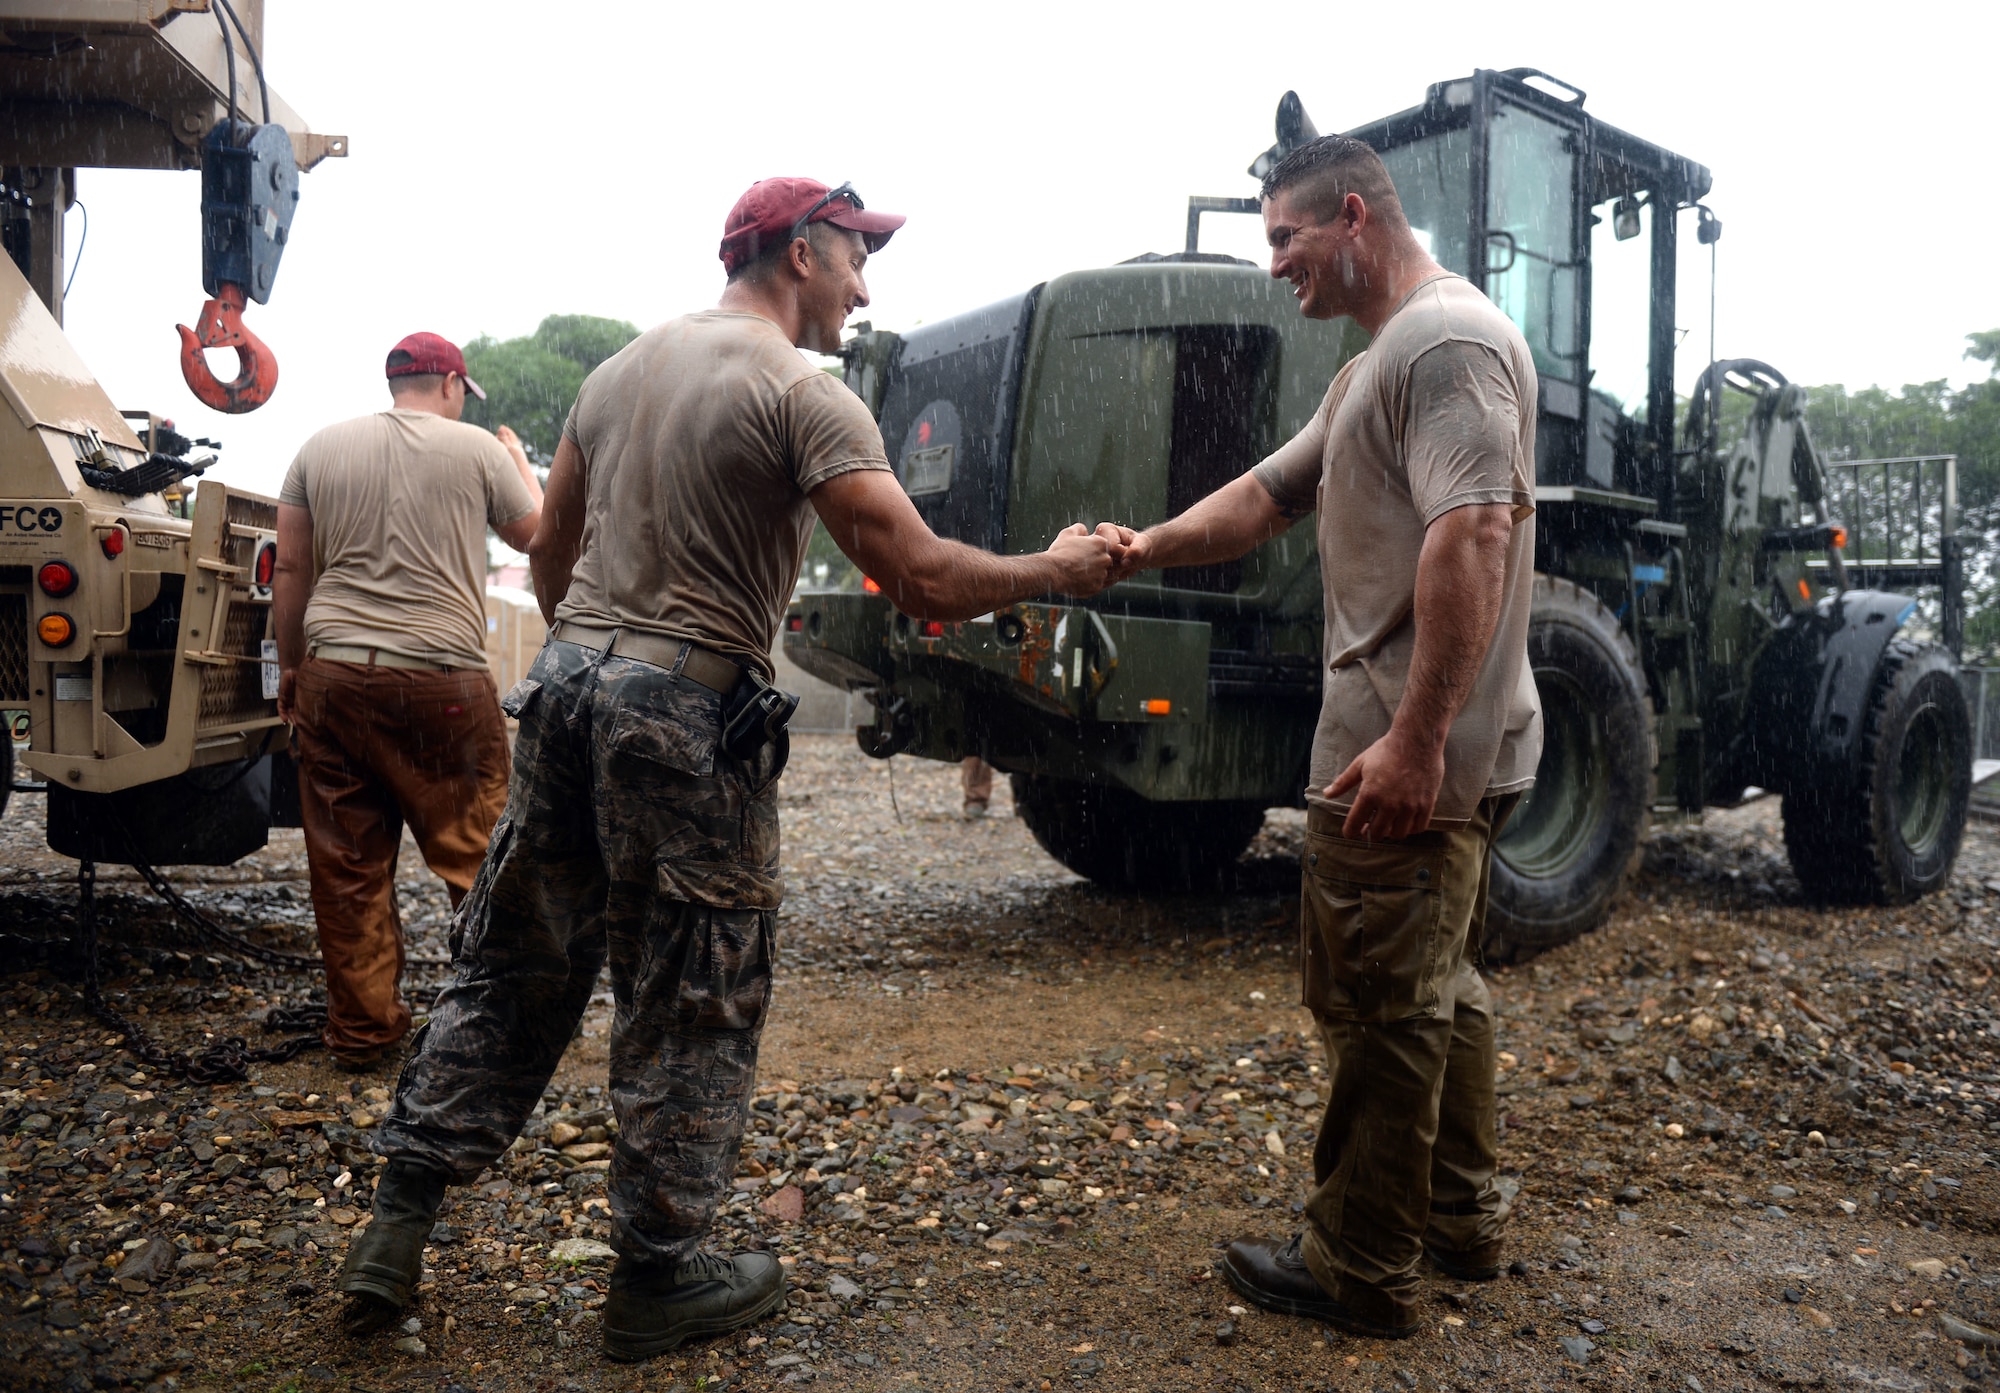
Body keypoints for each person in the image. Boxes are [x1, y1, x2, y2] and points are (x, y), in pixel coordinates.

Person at [336, 178, 1126, 1359]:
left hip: (563, 686)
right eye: (858, 256)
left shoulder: (620, 374)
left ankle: (394, 1232)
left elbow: (552, 558)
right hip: (685, 709)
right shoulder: (797, 391)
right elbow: (916, 576)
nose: (868, 284)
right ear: (800, 253)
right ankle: (657, 1274)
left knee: (514, 958)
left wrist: (594, 667)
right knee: (690, 984)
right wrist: (1053, 570)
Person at [1108, 133, 1541, 1339]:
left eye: (1283, 239)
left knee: (1378, 1002)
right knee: (1436, 985)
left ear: (1351, 217)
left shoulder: (1442, 341)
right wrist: (1143, 549)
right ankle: (1454, 1216)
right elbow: (1263, 494)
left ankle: (1360, 1262)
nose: (1272, 266)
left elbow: (1474, 535)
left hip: (1403, 750)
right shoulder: (1375, 365)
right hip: (1450, 737)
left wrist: (1414, 740)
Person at [273, 333, 544, 1071]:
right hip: (442, 683)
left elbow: (292, 567)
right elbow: (542, 540)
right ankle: (506, 1028)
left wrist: (292, 667)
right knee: (481, 855)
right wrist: (522, 467)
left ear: (397, 383)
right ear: (452, 385)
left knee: (347, 864)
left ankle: (363, 1033)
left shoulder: (318, 450)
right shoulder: (479, 451)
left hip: (333, 677)